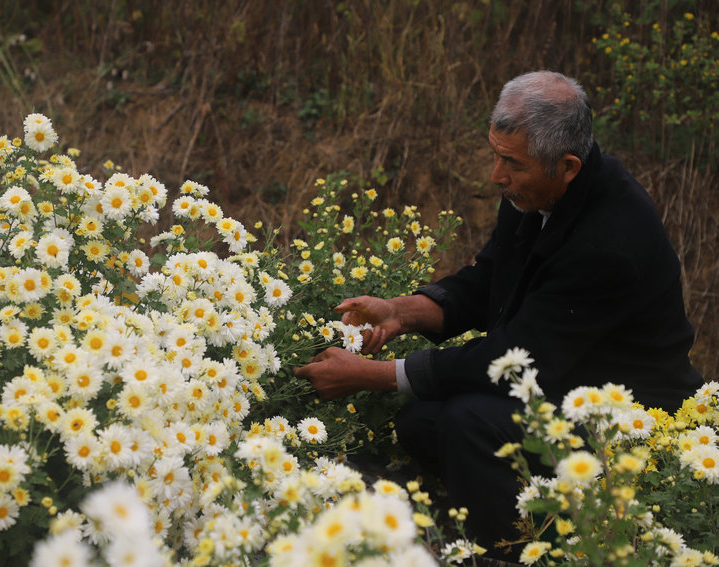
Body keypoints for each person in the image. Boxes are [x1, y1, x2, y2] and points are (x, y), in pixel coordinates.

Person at [293, 70, 703, 560]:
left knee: (469, 423)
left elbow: (518, 356)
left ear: (568, 165)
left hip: (629, 417)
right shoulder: (539, 190)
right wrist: (400, 313)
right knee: (422, 422)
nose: (496, 176)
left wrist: (369, 375)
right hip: (563, 380)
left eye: (511, 163)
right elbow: (488, 280)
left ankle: (514, 552)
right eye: (496, 155)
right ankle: (481, 519)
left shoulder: (609, 242)